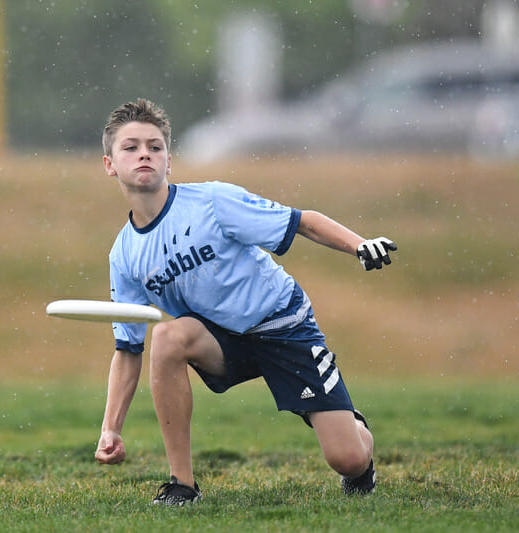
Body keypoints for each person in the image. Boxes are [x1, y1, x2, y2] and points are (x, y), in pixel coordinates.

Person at [94, 98, 397, 506]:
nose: (144, 153)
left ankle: (354, 431)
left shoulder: (212, 202)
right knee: (166, 338)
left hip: (282, 327)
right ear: (110, 164)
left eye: (155, 146)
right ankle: (182, 485)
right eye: (130, 147)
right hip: (222, 342)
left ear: (170, 161)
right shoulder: (124, 255)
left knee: (348, 459)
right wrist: (110, 428)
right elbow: (127, 350)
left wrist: (361, 245)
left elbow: (301, 221)